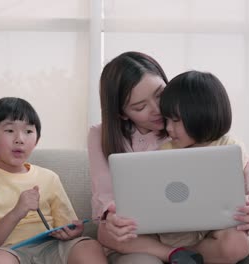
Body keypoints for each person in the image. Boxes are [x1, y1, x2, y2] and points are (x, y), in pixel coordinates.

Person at [0, 97, 107, 264]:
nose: (20, 139)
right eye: (10, 130)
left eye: (28, 132)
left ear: (37, 140)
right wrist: (18, 211)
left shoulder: (49, 178)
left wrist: (73, 232)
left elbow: (67, 226)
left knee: (88, 247)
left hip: (52, 247)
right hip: (6, 251)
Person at [155, 70, 249, 263]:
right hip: (179, 232)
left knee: (239, 244)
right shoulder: (166, 150)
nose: (169, 128)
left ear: (201, 115)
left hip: (218, 227)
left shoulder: (230, 146)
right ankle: (181, 254)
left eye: (176, 121)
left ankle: (186, 256)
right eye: (167, 120)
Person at [88, 51, 170, 264]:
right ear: (122, 113)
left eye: (161, 94)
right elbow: (104, 196)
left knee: (237, 242)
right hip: (134, 237)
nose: (157, 110)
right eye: (140, 107)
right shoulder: (100, 135)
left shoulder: (188, 121)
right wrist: (111, 216)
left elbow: (238, 157)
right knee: (106, 231)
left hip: (184, 229)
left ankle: (182, 251)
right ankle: (176, 254)